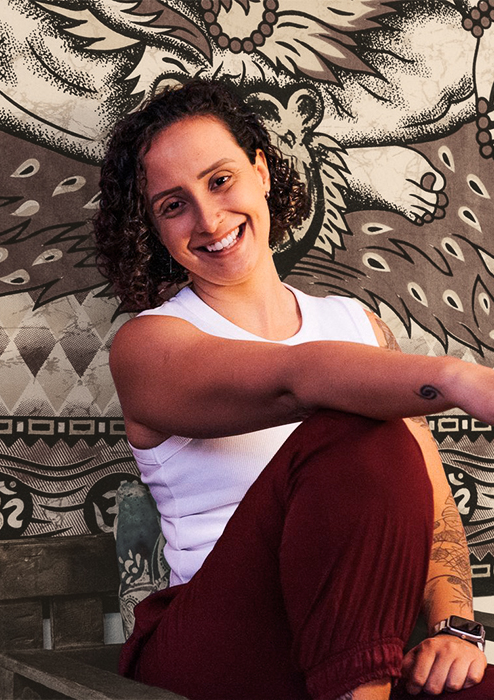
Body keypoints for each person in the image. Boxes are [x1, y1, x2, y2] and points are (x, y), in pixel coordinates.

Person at [93, 80, 494, 700]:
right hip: (219, 639)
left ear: (261, 171)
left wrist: (453, 629)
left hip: (362, 631)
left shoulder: (361, 326)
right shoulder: (147, 346)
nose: (209, 219)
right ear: (154, 226)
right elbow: (293, 380)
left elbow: (434, 499)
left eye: (220, 180)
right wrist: (457, 376)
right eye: (173, 205)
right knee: (357, 428)